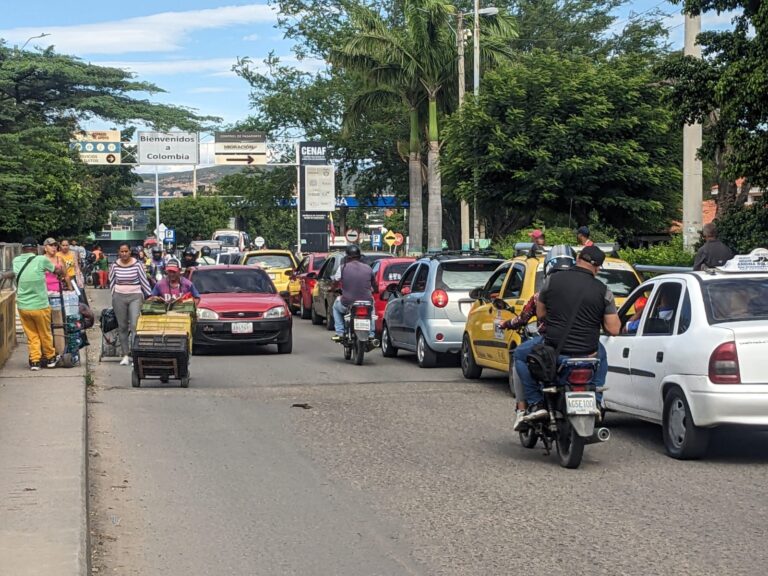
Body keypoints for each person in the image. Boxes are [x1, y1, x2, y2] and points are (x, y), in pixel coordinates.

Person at [520, 245, 621, 422]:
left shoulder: (552, 281)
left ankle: (536, 403)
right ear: (597, 268)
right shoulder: (604, 291)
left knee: (520, 356)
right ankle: (597, 401)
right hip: (588, 352)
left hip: (555, 351)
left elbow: (541, 314)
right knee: (602, 355)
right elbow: (613, 329)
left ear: (578, 259)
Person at [503, 245, 575, 431]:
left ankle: (529, 404)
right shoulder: (582, 293)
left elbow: (524, 319)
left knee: (519, 355)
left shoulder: (541, 295)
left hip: (549, 341)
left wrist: (507, 324)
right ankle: (599, 401)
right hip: (581, 343)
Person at [13, 237, 62, 370]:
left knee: (32, 335)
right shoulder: (41, 259)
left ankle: (35, 361)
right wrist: (60, 271)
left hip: (23, 306)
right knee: (45, 333)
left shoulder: (16, 261)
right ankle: (51, 358)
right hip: (40, 305)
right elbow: (56, 271)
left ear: (22, 248)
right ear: (36, 248)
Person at [109, 242, 152, 366]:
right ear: (119, 252)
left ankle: (135, 354)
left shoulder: (138, 265)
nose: (124, 254)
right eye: (121, 252)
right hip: (119, 296)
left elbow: (144, 281)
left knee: (134, 325)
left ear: (129, 252)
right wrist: (114, 295)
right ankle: (125, 355)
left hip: (135, 296)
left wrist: (149, 295)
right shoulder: (114, 265)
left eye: (126, 251)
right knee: (122, 326)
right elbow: (111, 281)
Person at [330, 245, 378, 346]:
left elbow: (335, 282)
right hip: (366, 302)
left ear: (347, 257)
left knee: (335, 307)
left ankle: (339, 332)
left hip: (347, 303)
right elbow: (375, 285)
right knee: (371, 311)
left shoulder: (342, 268)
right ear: (359, 256)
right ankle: (371, 334)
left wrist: (332, 289)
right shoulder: (368, 268)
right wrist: (375, 291)